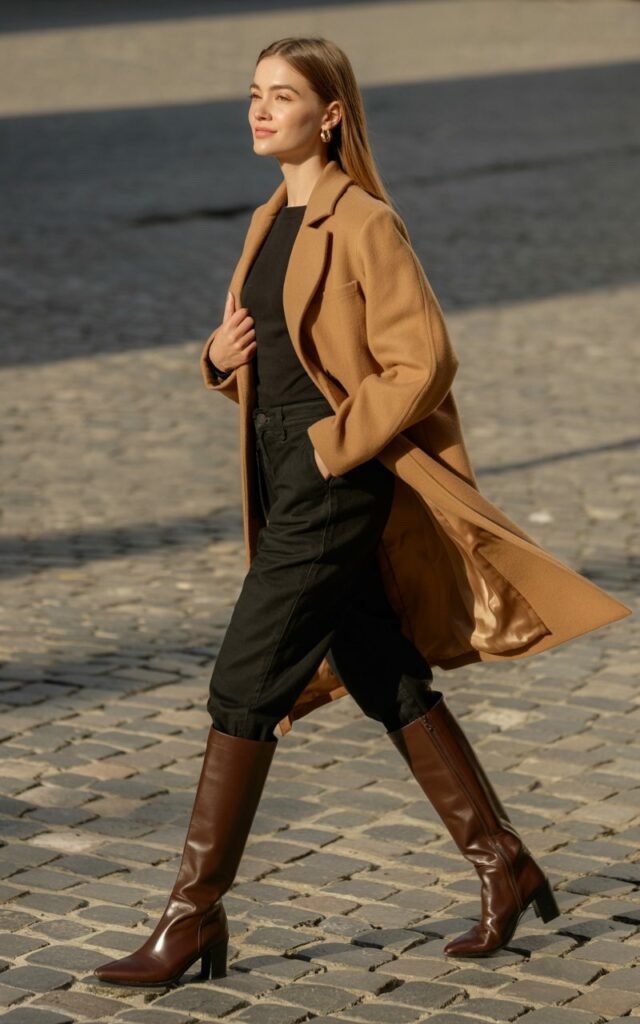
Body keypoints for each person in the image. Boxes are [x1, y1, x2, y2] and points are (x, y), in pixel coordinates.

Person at [94, 36, 630, 988]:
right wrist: (219, 359)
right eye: (253, 94)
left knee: (245, 683)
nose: (260, 111)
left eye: (283, 96)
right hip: (282, 466)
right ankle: (501, 861)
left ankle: (191, 919)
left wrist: (330, 448)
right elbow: (279, 360)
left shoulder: (364, 221)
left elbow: (421, 362)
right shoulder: (270, 219)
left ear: (329, 113)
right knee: (380, 667)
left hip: (334, 481)